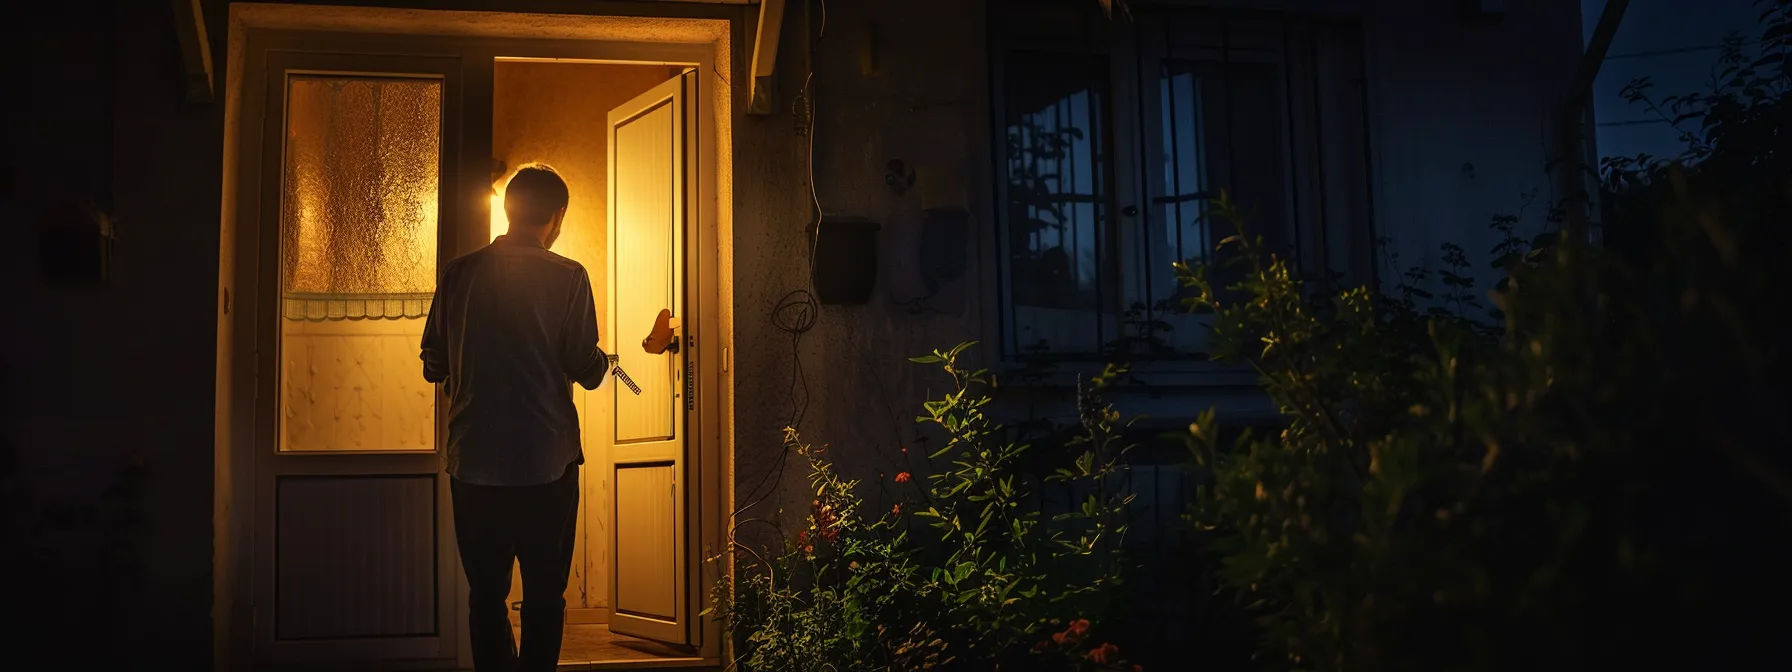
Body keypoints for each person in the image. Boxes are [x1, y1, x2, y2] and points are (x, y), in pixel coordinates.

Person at [420, 164, 608, 672]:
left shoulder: (459, 273)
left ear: (508, 209)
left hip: (474, 460)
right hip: (547, 461)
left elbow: (433, 363)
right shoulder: (569, 276)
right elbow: (582, 367)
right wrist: (603, 364)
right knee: (545, 596)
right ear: (557, 216)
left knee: (485, 595)